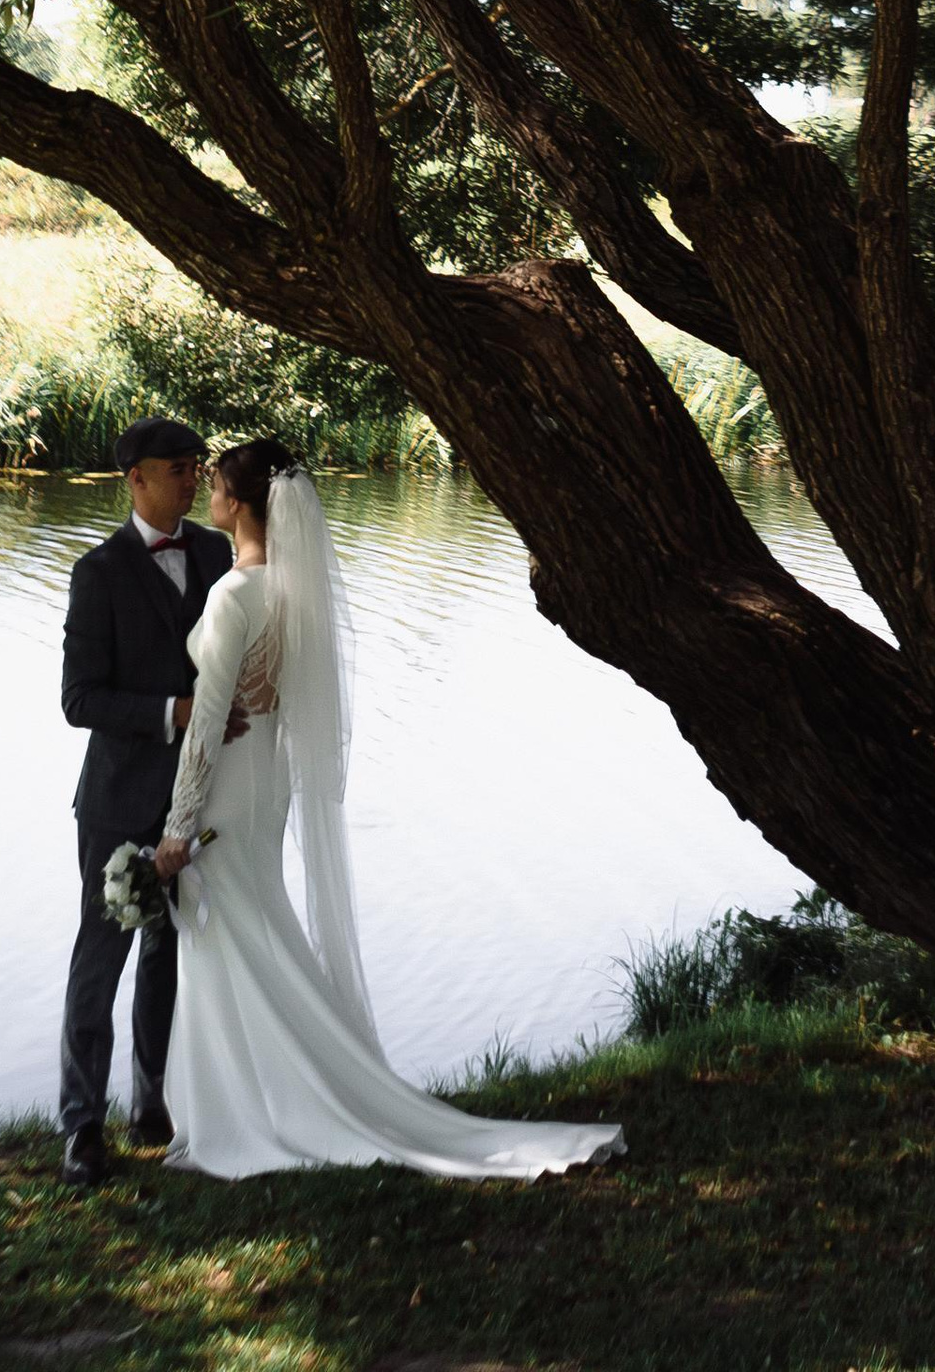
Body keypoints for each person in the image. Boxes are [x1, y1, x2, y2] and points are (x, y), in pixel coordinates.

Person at [146, 435, 624, 1183]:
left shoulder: (235, 594)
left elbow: (207, 724)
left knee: (229, 939)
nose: (206, 494)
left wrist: (177, 829)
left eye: (214, 485)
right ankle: (267, 1094)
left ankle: (253, 1110)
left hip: (228, 791)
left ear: (237, 503)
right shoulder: (291, 593)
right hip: (265, 785)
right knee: (254, 934)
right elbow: (274, 703)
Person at [57, 415, 249, 1190]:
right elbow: (78, 699)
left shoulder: (216, 552)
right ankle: (80, 1127)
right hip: (116, 798)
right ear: (135, 479)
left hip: (197, 798)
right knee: (100, 958)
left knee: (171, 955)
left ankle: (152, 1106)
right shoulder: (96, 572)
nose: (189, 477)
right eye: (176, 467)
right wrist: (172, 710)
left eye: (195, 464)